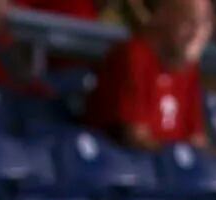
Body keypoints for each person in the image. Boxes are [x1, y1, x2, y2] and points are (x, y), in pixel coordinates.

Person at [84, 0, 209, 148]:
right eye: (189, 22)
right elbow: (135, 138)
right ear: (163, 16)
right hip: (122, 163)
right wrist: (175, 160)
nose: (197, 32)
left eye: (204, 24)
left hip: (167, 163)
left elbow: (197, 139)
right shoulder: (133, 55)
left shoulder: (189, 65)